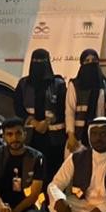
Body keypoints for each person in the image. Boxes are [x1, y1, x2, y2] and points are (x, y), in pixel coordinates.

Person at [14, 48, 66, 187]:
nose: (38, 64)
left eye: (42, 61)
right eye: (35, 60)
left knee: (53, 173)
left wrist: (47, 122)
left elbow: (63, 108)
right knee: (32, 171)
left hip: (53, 139)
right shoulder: (23, 84)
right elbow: (18, 107)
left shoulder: (58, 84)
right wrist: (34, 122)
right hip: (31, 137)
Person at [66, 48, 106, 153]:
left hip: (101, 138)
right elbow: (70, 111)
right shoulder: (75, 84)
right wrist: (71, 135)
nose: (91, 63)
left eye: (94, 60)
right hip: (79, 138)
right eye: (87, 61)